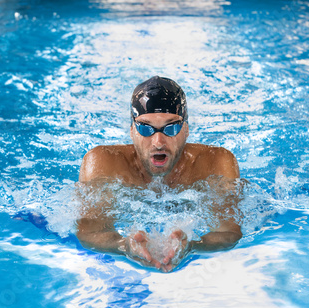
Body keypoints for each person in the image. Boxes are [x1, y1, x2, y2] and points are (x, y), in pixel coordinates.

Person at [77, 76, 242, 272]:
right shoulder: (104, 163)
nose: (158, 142)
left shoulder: (215, 163)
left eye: (171, 127)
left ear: (186, 130)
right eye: (145, 128)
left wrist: (193, 246)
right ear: (132, 131)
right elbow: (89, 231)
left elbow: (229, 231)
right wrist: (124, 246)